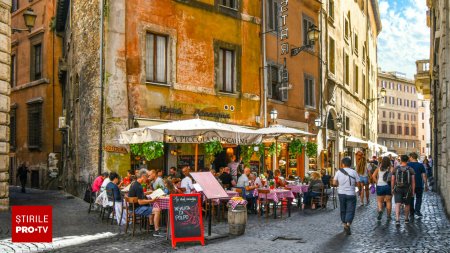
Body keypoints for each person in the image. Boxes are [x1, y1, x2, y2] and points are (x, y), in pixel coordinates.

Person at [128, 169, 163, 237]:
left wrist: (146, 193)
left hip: (132, 207)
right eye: (147, 176)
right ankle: (156, 231)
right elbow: (140, 202)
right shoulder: (139, 186)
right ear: (143, 176)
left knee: (151, 207)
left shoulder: (134, 183)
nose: (147, 179)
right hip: (137, 208)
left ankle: (152, 226)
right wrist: (152, 201)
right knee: (157, 210)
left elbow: (137, 194)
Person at [332, 157, 359, 235]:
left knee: (343, 209)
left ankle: (344, 224)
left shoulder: (338, 172)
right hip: (351, 193)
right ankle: (348, 224)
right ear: (350, 164)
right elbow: (358, 183)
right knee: (350, 210)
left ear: (343, 164)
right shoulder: (354, 172)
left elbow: (334, 183)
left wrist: (340, 184)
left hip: (341, 193)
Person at [392, 154, 416, 226]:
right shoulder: (410, 169)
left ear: (401, 160)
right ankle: (406, 219)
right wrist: (413, 191)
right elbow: (413, 181)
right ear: (407, 160)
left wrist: (392, 188)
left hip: (398, 188)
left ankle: (397, 219)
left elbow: (393, 179)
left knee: (397, 204)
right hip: (407, 189)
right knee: (407, 204)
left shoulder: (396, 168)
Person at [371, 157, 393, 221]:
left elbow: (373, 176)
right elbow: (394, 178)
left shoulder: (379, 168)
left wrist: (377, 182)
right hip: (388, 186)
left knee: (380, 201)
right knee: (388, 201)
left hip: (380, 186)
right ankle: (388, 216)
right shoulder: (391, 168)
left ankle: (380, 210)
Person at [408, 152, 428, 217]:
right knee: (419, 198)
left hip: (410, 185)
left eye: (409, 157)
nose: (409, 158)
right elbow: (424, 176)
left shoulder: (408, 165)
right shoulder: (420, 165)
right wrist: (426, 185)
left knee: (411, 198)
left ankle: (411, 211)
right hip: (419, 184)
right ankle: (417, 210)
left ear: (411, 157)